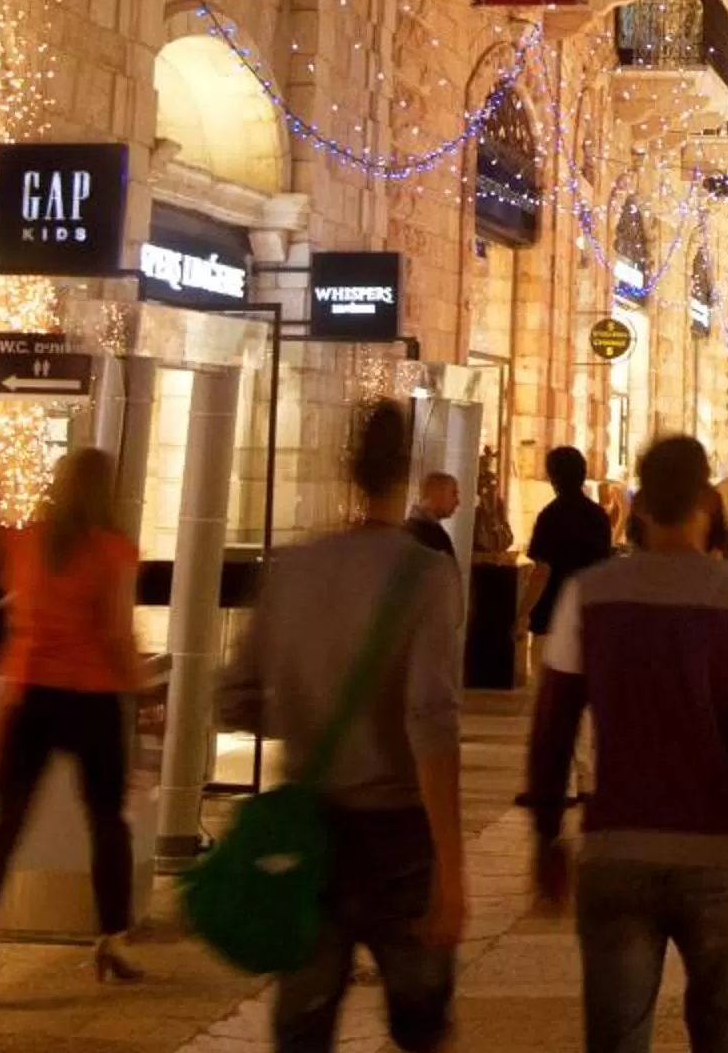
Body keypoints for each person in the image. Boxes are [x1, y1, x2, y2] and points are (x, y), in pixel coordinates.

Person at [529, 435, 728, 1053]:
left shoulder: (587, 594)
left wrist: (546, 835)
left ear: (640, 506)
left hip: (616, 848)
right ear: (708, 502)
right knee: (722, 1029)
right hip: (717, 855)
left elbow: (553, 726)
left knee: (616, 1037)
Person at [220, 401, 467, 1053]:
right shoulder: (425, 575)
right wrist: (453, 869)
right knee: (421, 1025)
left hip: (310, 827)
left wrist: (309, 713)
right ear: (407, 474)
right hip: (399, 832)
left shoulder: (295, 568)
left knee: (304, 1024)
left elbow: (235, 698)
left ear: (347, 468)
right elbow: (431, 722)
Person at [0, 449, 145, 1004]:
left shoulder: (26, 541)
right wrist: (139, 686)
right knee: (108, 822)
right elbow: (117, 631)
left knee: (3, 828)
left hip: (29, 695)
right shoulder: (113, 549)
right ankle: (113, 941)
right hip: (92, 697)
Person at [519, 446, 614, 678]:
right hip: (588, 615)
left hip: (552, 616)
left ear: (553, 476)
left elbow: (542, 571)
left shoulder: (550, 516)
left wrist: (522, 612)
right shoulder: (599, 517)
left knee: (547, 686)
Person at [405, 470, 462, 560]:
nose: (457, 502)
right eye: (453, 493)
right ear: (437, 493)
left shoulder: (433, 532)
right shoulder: (419, 535)